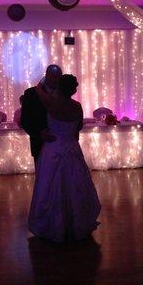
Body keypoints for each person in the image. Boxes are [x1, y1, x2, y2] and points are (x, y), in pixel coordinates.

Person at [28, 74, 101, 242]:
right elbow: (77, 130)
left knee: (50, 188)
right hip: (72, 149)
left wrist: (46, 78)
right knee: (75, 187)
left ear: (59, 87)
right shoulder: (77, 106)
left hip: (53, 148)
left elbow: (38, 88)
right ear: (73, 89)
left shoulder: (51, 102)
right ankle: (74, 222)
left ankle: (54, 224)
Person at [21, 64, 62, 163]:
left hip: (61, 147)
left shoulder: (64, 94)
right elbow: (25, 120)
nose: (56, 79)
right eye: (53, 75)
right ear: (46, 76)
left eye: (58, 76)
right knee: (42, 177)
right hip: (40, 145)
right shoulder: (31, 94)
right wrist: (39, 134)